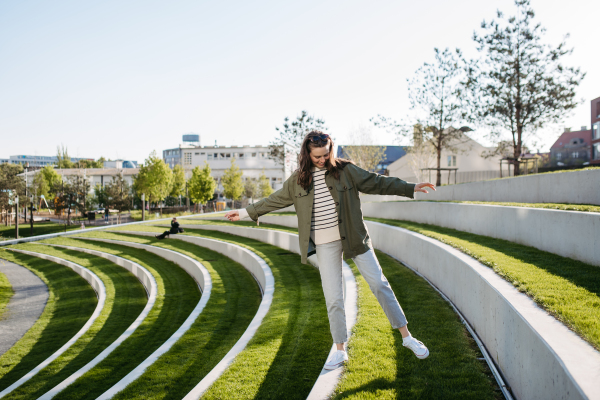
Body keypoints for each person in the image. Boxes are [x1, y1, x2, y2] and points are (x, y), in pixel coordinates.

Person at [225, 131, 436, 370]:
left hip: (354, 237)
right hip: (323, 243)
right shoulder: (297, 181)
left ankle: (407, 337)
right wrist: (243, 213)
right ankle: (339, 350)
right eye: (317, 156)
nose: (323, 159)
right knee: (334, 297)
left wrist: (410, 187)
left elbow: (377, 182)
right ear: (307, 153)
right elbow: (272, 200)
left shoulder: (346, 171)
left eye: (326, 154)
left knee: (379, 284)